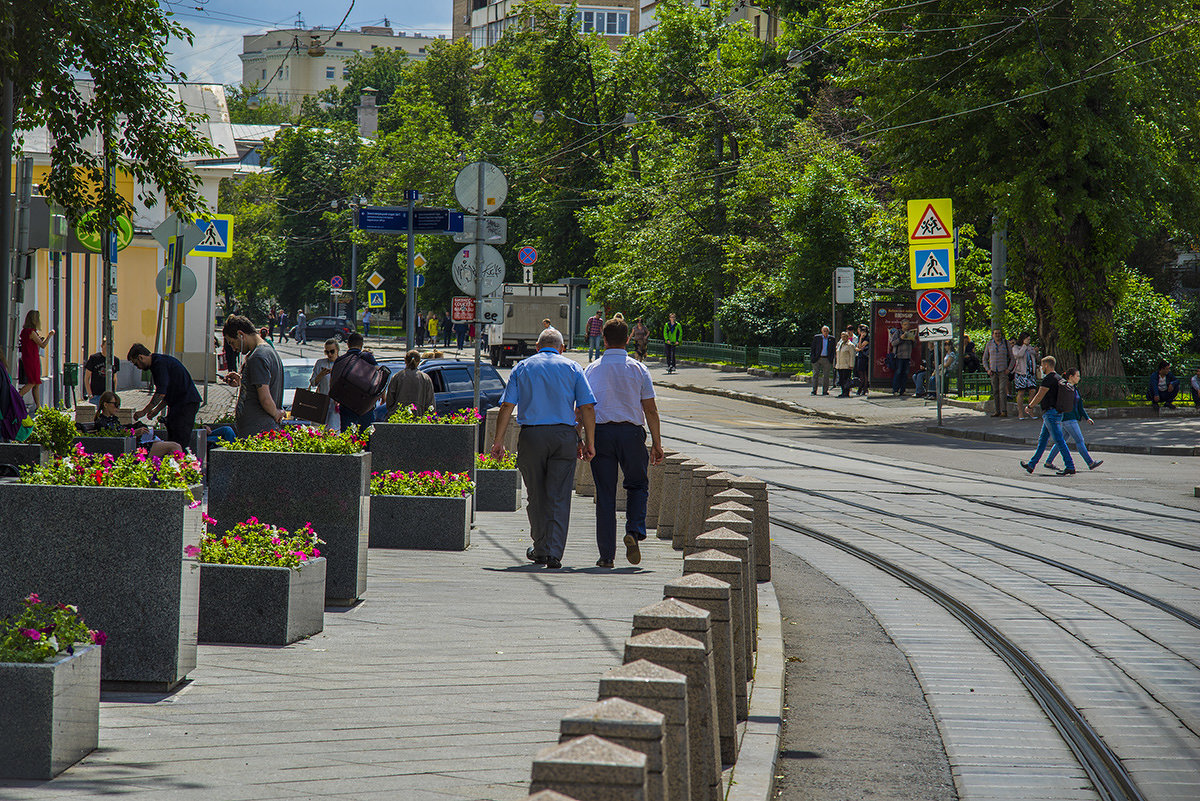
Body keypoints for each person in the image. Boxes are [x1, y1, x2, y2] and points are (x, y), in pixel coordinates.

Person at [491, 328, 596, 570]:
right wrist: (590, 441)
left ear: (537, 347)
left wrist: (498, 441)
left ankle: (540, 547)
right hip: (563, 437)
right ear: (561, 348)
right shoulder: (572, 367)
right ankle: (554, 553)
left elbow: (507, 405)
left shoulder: (523, 367)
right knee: (559, 495)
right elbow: (587, 407)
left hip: (532, 437)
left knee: (536, 494)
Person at [583, 318, 665, 568]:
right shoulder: (639, 369)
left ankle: (606, 556)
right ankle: (634, 529)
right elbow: (650, 410)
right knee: (638, 485)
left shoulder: (592, 369)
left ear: (604, 340)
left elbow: (584, 408)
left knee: (605, 495)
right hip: (631, 435)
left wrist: (583, 439)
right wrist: (657, 444)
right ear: (628, 339)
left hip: (601, 434)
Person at [127, 343, 202, 447]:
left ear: (141, 357)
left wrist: (144, 411)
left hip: (186, 403)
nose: (138, 367)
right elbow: (168, 393)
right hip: (180, 403)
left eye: (136, 364)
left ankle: (181, 460)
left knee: (179, 440)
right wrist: (156, 410)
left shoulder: (159, 364)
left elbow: (161, 393)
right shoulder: (159, 361)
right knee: (173, 437)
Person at [220, 316, 285, 436]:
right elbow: (260, 384)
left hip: (257, 431)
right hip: (258, 430)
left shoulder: (257, 357)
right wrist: (242, 381)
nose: (234, 349)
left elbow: (265, 398)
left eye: (232, 343)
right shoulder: (268, 352)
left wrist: (276, 413)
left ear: (241, 334)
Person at [1020, 355, 1076, 476]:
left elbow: (1040, 395)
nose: (1041, 368)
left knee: (1059, 440)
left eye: (1041, 365)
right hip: (1056, 413)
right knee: (1043, 440)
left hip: (1051, 414)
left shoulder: (1049, 379)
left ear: (1046, 365)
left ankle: (1070, 466)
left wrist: (1029, 406)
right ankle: (1031, 465)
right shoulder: (1059, 378)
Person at [92, 391, 184, 458]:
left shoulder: (112, 420)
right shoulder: (102, 422)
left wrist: (137, 427)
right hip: (133, 449)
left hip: (132, 446)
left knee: (171, 445)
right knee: (175, 446)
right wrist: (134, 432)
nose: (117, 408)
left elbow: (121, 431)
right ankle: (180, 475)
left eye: (119, 405)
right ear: (105, 404)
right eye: (115, 404)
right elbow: (116, 438)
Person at [1045, 368, 1103, 472]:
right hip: (1068, 419)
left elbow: (1079, 406)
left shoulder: (1074, 388)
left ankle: (1048, 462)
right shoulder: (1064, 387)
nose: (1079, 378)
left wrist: (1087, 417)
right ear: (1071, 377)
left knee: (1060, 441)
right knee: (1080, 440)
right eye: (1077, 376)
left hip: (1070, 419)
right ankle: (1090, 463)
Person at [334, 333, 378, 432]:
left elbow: (333, 383)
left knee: (348, 436)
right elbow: (378, 376)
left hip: (346, 404)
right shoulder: (367, 357)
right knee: (366, 436)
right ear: (361, 344)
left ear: (348, 344)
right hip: (365, 405)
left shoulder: (340, 360)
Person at [17, 310, 54, 409]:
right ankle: (17, 397)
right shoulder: (31, 332)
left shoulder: (24, 331)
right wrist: (49, 336)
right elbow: (42, 345)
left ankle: (38, 406)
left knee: (36, 383)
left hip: (28, 357)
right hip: (32, 359)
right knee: (32, 382)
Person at [385, 350, 435, 417]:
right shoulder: (425, 378)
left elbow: (389, 400)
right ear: (419, 362)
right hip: (418, 418)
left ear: (405, 360)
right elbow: (430, 402)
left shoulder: (397, 376)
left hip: (398, 417)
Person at [308, 339, 341, 429]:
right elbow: (313, 383)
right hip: (322, 402)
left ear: (337, 350)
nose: (329, 354)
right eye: (327, 352)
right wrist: (321, 375)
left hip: (337, 404)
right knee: (321, 430)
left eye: (332, 351)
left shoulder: (342, 363)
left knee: (335, 430)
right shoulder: (320, 363)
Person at [983, 328, 1013, 418]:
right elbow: (984, 358)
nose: (997, 335)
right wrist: (987, 369)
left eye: (999, 333)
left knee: (1002, 390)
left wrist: (1009, 369)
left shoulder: (1006, 343)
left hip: (1003, 371)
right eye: (995, 333)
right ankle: (997, 411)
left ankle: (1004, 411)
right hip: (993, 372)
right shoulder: (989, 344)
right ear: (993, 335)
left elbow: (1012, 358)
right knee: (995, 391)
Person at [83, 338, 119, 403]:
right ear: (102, 346)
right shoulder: (94, 358)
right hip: (96, 395)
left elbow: (115, 378)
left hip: (109, 396)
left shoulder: (115, 360)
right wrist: (90, 394)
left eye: (111, 346)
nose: (108, 348)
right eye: (107, 345)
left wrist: (114, 393)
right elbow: (87, 377)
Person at [1012, 332, 1039, 419]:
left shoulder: (1030, 347)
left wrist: (1036, 353)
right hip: (1021, 373)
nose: (1028, 340)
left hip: (1030, 373)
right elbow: (1019, 355)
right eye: (1027, 338)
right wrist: (1024, 346)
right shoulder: (1016, 347)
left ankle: (1030, 410)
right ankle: (1020, 413)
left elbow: (1036, 358)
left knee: (1032, 391)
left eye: (1029, 339)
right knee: (1021, 392)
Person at [889, 320, 916, 396]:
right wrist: (901, 338)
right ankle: (895, 390)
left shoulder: (910, 333)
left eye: (908, 324)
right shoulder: (898, 332)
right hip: (899, 356)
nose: (907, 326)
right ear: (902, 325)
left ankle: (902, 390)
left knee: (905, 373)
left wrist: (913, 340)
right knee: (898, 372)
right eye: (905, 324)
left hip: (907, 356)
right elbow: (893, 343)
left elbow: (914, 346)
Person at [810, 325, 835, 395]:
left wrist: (831, 358)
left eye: (827, 331)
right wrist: (813, 358)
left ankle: (825, 391)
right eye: (824, 331)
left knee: (826, 376)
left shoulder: (832, 339)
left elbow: (833, 350)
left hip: (826, 358)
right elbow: (813, 348)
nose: (825, 333)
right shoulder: (817, 338)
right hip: (817, 358)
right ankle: (814, 390)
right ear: (822, 331)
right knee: (815, 374)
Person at [835, 329, 856, 398]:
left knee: (846, 380)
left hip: (847, 365)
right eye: (842, 336)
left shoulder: (850, 345)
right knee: (841, 380)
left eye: (845, 336)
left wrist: (851, 365)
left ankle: (846, 392)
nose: (843, 338)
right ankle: (842, 392)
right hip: (840, 365)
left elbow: (852, 355)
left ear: (847, 337)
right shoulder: (840, 344)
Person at [853, 324, 871, 395]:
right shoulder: (859, 337)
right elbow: (857, 347)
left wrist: (861, 338)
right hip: (860, 356)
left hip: (865, 357)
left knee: (865, 373)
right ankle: (861, 387)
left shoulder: (867, 338)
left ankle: (864, 388)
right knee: (860, 372)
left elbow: (860, 346)